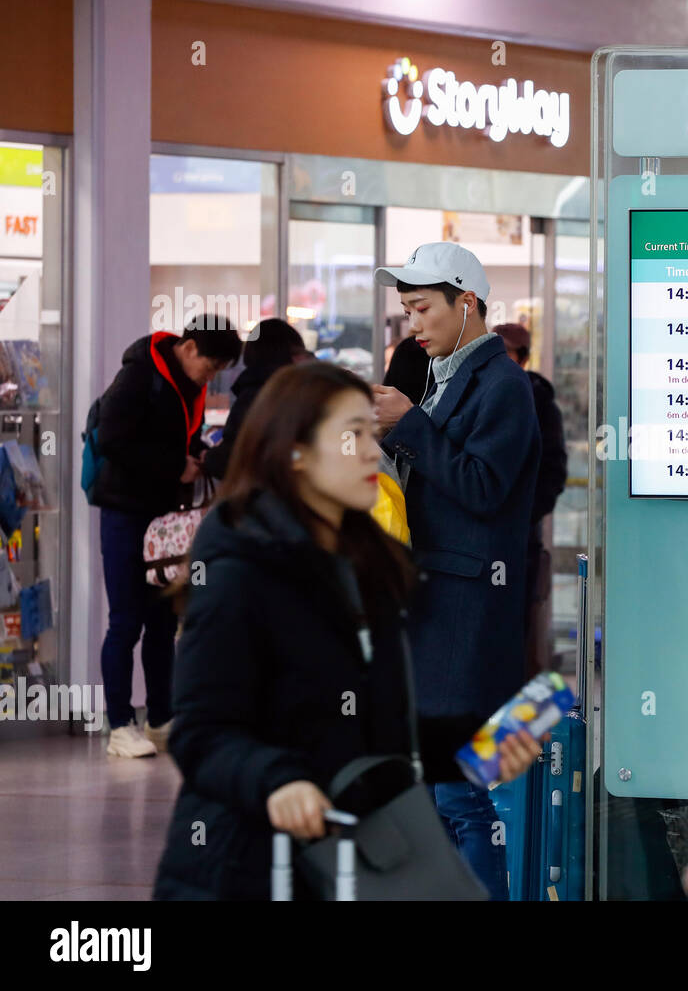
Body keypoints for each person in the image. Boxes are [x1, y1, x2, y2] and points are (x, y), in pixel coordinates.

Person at [152, 361, 541, 900]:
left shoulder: (368, 566)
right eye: (351, 435)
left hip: (341, 866)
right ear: (296, 453)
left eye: (369, 431)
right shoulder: (240, 570)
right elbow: (201, 733)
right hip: (241, 869)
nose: (370, 450)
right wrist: (279, 781)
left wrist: (472, 747)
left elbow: (372, 735)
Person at [371, 243, 540, 900]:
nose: (413, 324)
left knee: (462, 796)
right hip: (438, 609)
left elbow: (484, 486)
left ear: (467, 303)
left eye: (422, 308)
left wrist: (410, 426)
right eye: (407, 310)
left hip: (468, 616)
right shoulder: (447, 377)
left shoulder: (504, 385)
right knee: (441, 796)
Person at [92, 315, 241, 758]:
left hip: (166, 517)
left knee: (162, 620)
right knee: (125, 621)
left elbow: (183, 439)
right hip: (125, 511)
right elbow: (112, 440)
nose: (210, 378)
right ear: (189, 347)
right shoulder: (139, 374)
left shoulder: (190, 386)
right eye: (210, 367)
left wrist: (199, 456)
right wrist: (174, 466)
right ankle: (120, 725)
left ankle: (160, 718)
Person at [492, 322, 568, 677]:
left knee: (517, 635)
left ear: (521, 358)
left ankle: (517, 705)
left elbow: (553, 471)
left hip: (519, 542)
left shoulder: (538, 401)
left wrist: (522, 516)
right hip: (480, 543)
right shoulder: (478, 391)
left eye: (504, 351)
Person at [201, 318, 311, 480]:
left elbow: (233, 459)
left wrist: (209, 458)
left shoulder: (256, 394)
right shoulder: (305, 392)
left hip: (265, 490)